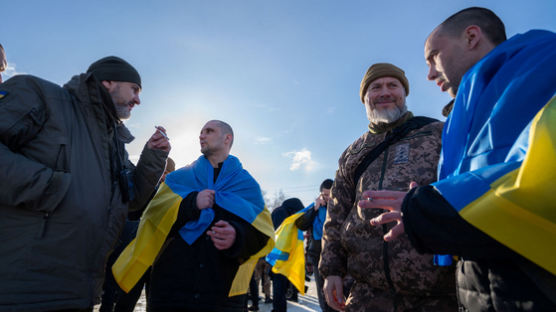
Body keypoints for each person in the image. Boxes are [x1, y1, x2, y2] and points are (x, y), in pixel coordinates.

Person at [362, 7, 556, 311]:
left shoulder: (546, 64)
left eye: (433, 56)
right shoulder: (471, 106)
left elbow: (540, 179)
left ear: (471, 37)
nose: (428, 74)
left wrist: (426, 208)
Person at [0, 56, 170, 311]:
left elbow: (132, 200)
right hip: (23, 289)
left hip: (79, 291)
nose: (138, 100)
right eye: (134, 89)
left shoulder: (114, 142)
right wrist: (49, 186)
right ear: (109, 81)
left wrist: (153, 156)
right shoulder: (41, 96)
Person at [320, 63, 456, 311]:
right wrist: (331, 271)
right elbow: (336, 215)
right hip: (366, 293)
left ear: (404, 93)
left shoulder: (437, 133)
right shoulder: (353, 153)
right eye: (375, 87)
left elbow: (459, 193)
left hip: (435, 293)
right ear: (365, 98)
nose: (384, 92)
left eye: (392, 85)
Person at [112, 120, 275, 312]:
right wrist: (190, 203)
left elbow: (262, 235)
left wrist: (237, 236)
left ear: (227, 138)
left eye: (209, 131)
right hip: (170, 293)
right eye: (200, 132)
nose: (201, 135)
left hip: (222, 299)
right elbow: (152, 220)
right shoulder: (178, 178)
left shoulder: (247, 185)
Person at [100, 157, 176, 312]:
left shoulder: (174, 197)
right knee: (121, 303)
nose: (162, 176)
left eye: (167, 173)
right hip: (133, 256)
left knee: (154, 304)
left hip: (157, 261)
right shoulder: (141, 192)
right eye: (161, 172)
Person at [295, 178, 334, 312]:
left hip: (338, 254)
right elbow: (300, 223)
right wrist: (315, 208)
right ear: (320, 194)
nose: (328, 198)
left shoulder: (342, 205)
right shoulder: (315, 207)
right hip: (318, 254)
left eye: (331, 194)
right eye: (325, 195)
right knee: (323, 292)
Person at [268, 198, 305, 312]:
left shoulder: (281, 211)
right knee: (279, 288)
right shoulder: (281, 213)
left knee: (280, 288)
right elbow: (282, 235)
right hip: (279, 258)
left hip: (280, 257)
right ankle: (279, 309)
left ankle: (278, 309)